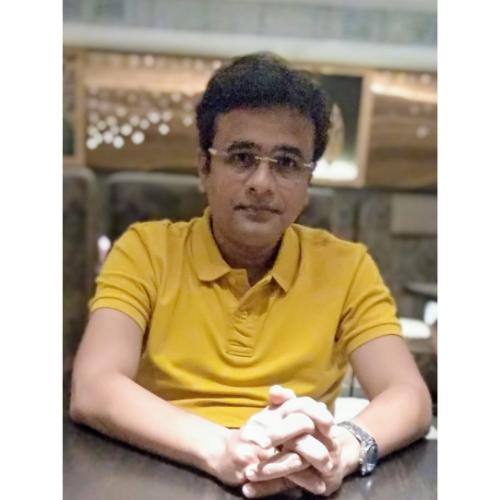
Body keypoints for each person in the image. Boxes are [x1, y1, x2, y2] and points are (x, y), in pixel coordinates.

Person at [69, 53, 432, 498]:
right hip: (157, 467)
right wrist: (220, 448)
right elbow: (93, 386)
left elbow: (408, 395)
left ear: (307, 182)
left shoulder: (346, 267)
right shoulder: (145, 250)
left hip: (297, 478)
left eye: (286, 163)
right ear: (205, 168)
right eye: (241, 157)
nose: (262, 182)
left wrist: (342, 447)